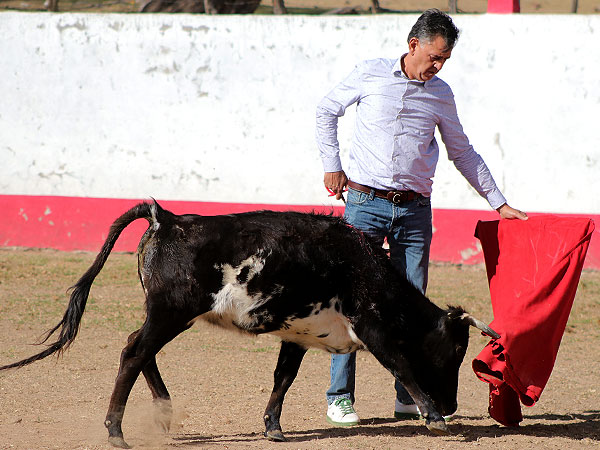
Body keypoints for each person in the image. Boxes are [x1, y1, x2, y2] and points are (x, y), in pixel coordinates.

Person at [315, 8, 528, 427]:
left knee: (412, 305)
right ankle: (339, 396)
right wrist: (331, 164)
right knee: (350, 301)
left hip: (413, 210)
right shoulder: (371, 73)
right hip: (364, 202)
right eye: (434, 57)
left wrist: (498, 203)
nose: (438, 66)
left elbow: (462, 151)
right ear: (413, 45)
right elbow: (326, 110)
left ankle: (407, 395)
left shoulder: (441, 93)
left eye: (445, 60)